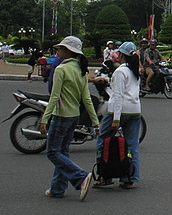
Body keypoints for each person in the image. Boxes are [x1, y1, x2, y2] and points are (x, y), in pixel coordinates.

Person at [39, 36, 98, 200]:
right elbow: (86, 99)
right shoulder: (81, 70)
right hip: (74, 116)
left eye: (60, 49)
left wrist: (45, 119)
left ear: (68, 51)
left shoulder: (61, 69)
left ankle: (80, 176)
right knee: (63, 152)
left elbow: (54, 96)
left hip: (61, 115)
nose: (58, 51)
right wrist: (95, 121)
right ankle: (57, 189)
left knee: (52, 152)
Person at [94, 41, 142, 190]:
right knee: (132, 143)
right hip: (135, 110)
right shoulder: (134, 71)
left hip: (120, 110)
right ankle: (130, 178)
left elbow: (119, 96)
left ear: (121, 55)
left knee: (102, 138)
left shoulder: (120, 72)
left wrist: (116, 119)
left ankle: (105, 175)